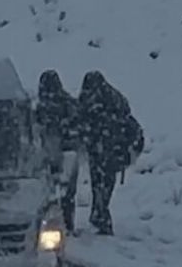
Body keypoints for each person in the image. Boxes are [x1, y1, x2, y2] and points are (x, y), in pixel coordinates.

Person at [75, 70, 144, 236]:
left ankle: (102, 219)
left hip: (108, 152)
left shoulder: (108, 104)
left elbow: (91, 124)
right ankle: (99, 217)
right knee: (100, 187)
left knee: (101, 187)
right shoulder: (108, 102)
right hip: (105, 151)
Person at [36, 70, 83, 232]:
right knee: (67, 193)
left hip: (49, 154)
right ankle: (67, 225)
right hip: (68, 153)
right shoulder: (69, 104)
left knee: (49, 194)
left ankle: (52, 225)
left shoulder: (40, 106)